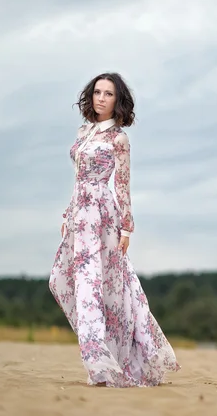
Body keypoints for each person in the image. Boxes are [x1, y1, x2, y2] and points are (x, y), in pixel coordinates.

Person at [49, 72, 181, 387]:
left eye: (108, 93)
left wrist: (127, 229)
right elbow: (78, 179)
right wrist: (68, 213)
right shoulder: (83, 132)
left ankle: (102, 363)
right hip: (80, 216)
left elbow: (122, 185)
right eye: (97, 92)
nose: (101, 98)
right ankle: (103, 353)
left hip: (103, 217)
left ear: (117, 100)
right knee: (60, 280)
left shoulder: (118, 138)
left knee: (102, 288)